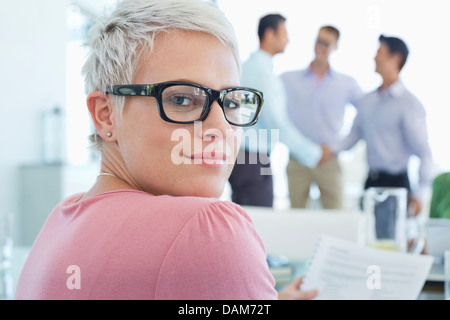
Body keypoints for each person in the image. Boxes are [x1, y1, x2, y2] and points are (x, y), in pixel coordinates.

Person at [14, 0, 318, 300]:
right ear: (106, 114)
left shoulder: (62, 218)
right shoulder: (207, 230)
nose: (219, 127)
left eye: (231, 102)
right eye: (182, 100)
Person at [228, 14, 331, 208]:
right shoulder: (262, 74)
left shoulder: (248, 67)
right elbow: (277, 123)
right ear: (269, 34)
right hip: (252, 159)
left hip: (243, 157)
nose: (288, 39)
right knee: (260, 225)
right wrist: (313, 153)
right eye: (284, 33)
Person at [332, 34, 434, 216]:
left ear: (396, 59)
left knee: (393, 241)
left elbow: (424, 153)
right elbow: (353, 136)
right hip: (371, 183)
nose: (374, 57)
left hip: (397, 185)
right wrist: (326, 151)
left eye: (380, 52)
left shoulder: (409, 104)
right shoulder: (368, 101)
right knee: (368, 239)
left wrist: (420, 194)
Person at [280, 25, 363, 209]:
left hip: (329, 161)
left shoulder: (347, 84)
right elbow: (275, 114)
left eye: (326, 43)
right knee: (296, 219)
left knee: (335, 218)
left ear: (335, 47)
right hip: (297, 161)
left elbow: (367, 115)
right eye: (318, 41)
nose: (321, 47)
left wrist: (338, 147)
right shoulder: (288, 80)